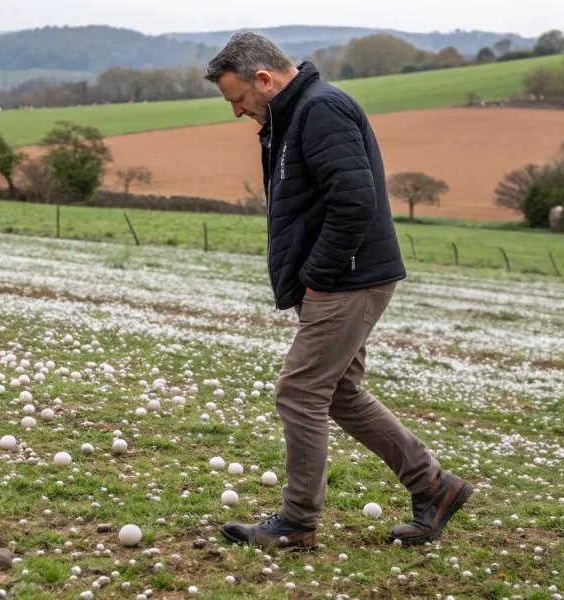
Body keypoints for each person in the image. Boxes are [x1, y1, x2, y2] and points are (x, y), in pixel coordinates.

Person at [204, 32, 472, 549]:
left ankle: (298, 521)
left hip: (347, 278)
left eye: (238, 99)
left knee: (299, 390)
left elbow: (353, 200)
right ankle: (435, 487)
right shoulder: (293, 114)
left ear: (263, 80)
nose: (237, 112)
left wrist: (320, 276)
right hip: (347, 275)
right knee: (341, 392)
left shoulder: (320, 109)